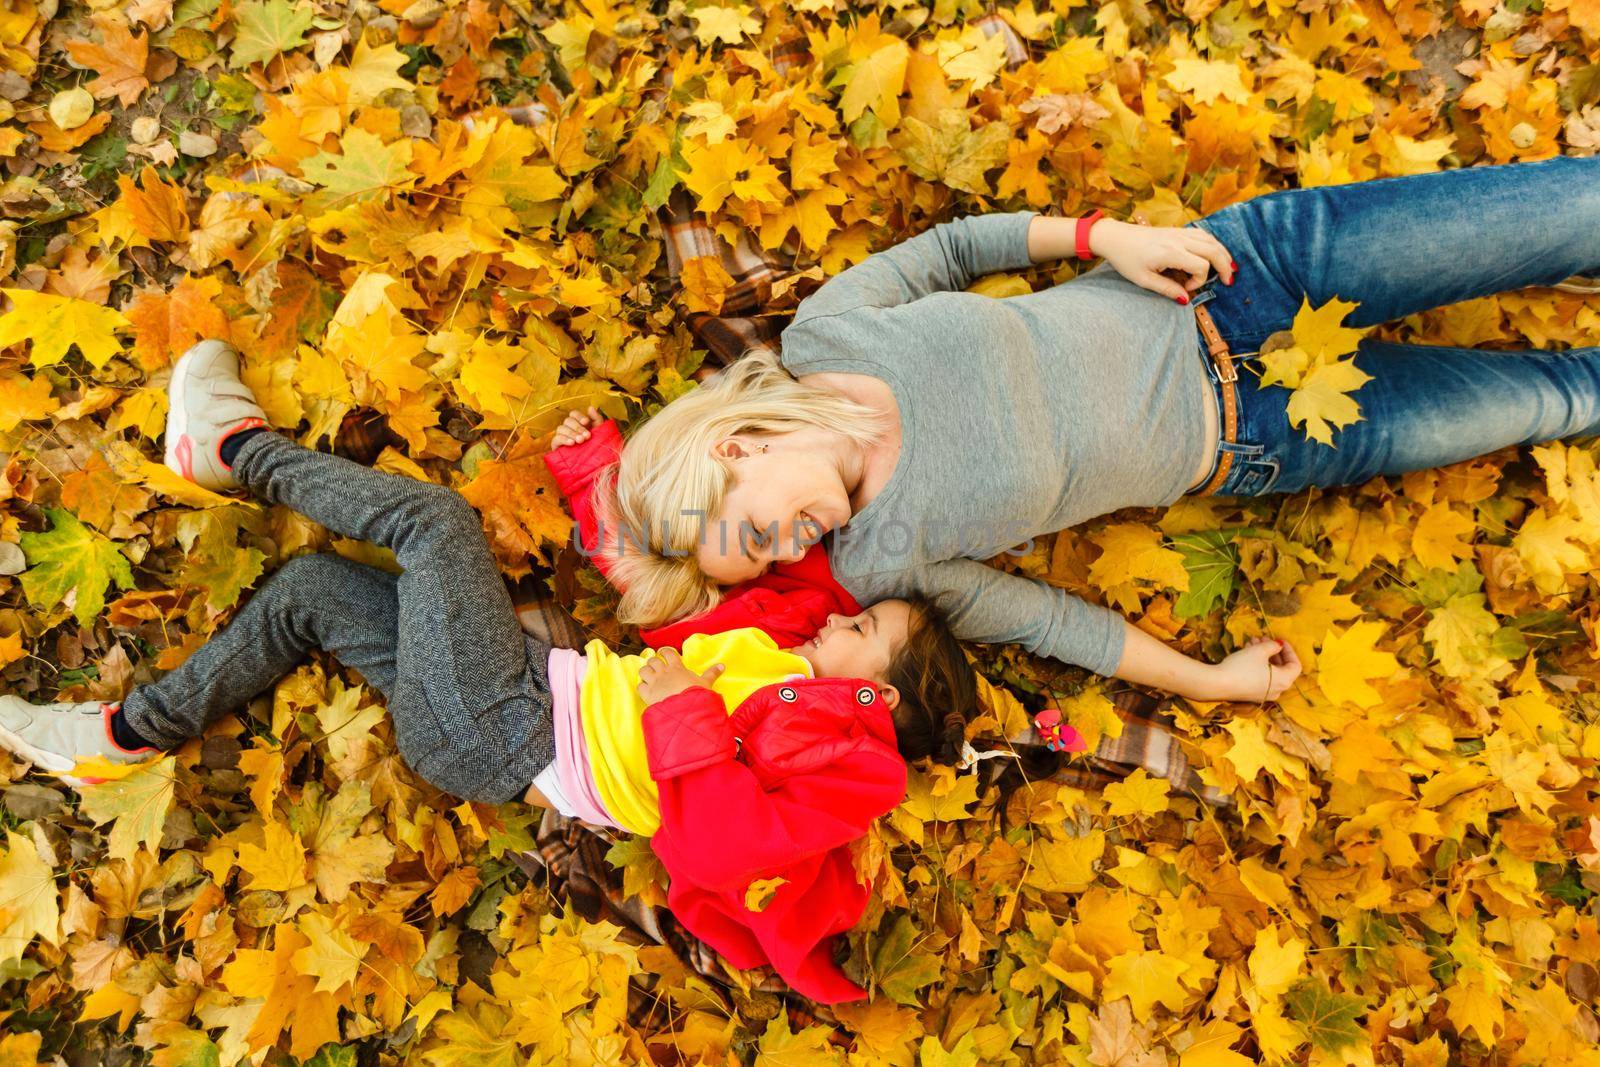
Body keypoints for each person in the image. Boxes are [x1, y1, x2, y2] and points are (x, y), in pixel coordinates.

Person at [0, 340, 979, 1002]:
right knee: (310, 589)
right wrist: (598, 469)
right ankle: (127, 737)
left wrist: (685, 717)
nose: (837, 611)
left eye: (861, 623)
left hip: (501, 727)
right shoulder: (778, 635)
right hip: (515, 684)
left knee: (436, 524)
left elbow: (724, 850)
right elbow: (675, 571)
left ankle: (231, 450)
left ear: (876, 690)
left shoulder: (852, 766)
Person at [599, 154, 1600, 704]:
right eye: (767, 561)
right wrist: (1207, 681)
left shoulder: (829, 333)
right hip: (1266, 434)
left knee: (1576, 206)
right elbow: (1046, 620)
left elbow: (952, 248)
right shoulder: (879, 561)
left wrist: (1101, 237)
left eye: (757, 530)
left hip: (1242, 269)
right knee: (1561, 398)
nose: (791, 548)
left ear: (735, 447)